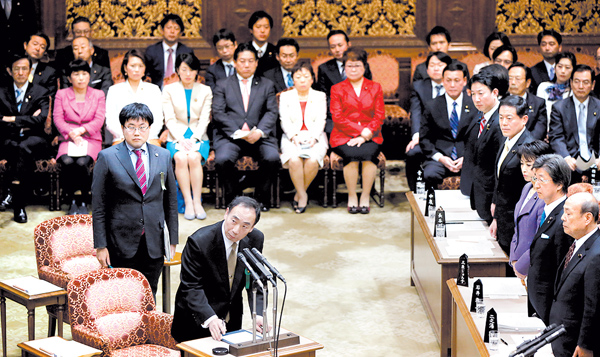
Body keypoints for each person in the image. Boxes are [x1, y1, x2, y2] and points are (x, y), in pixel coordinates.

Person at [92, 103, 178, 297]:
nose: (137, 132)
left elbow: (170, 201)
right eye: (131, 126)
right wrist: (101, 245)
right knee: (122, 296)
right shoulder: (107, 157)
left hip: (154, 240)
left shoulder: (163, 155)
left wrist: (172, 239)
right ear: (123, 128)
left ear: (150, 129)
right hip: (120, 241)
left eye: (142, 127)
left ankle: (147, 328)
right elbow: (99, 207)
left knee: (149, 294)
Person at [171, 196, 269, 342]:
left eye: (245, 226)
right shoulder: (199, 242)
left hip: (231, 318)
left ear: (252, 228)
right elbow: (191, 286)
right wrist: (210, 318)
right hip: (196, 319)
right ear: (226, 213)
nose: (236, 230)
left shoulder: (256, 239)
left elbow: (256, 279)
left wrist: (259, 313)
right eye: (233, 221)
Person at [211, 43, 279, 210]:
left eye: (250, 61)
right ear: (235, 62)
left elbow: (271, 111)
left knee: (272, 158)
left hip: (259, 136)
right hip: (231, 136)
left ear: (256, 62)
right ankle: (235, 197)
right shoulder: (222, 84)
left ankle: (260, 199)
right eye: (242, 61)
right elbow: (218, 112)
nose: (246, 65)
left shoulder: (267, 84)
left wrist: (260, 131)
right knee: (222, 159)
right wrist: (239, 132)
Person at [330, 48, 384, 214]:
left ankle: (365, 196)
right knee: (351, 156)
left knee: (368, 156)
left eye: (357, 65)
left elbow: (380, 115)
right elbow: (338, 118)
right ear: (344, 68)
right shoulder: (337, 89)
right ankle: (352, 196)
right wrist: (362, 132)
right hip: (343, 136)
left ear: (364, 67)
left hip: (371, 135)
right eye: (349, 66)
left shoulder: (375, 87)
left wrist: (367, 133)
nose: (353, 69)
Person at [549, 192, 600, 357]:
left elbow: (593, 305)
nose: (563, 218)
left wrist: (586, 344)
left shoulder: (596, 254)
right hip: (561, 334)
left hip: (575, 343)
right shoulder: (579, 241)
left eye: (569, 213)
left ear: (587, 218)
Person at [0, 52, 49, 223]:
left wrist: (11, 118)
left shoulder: (40, 91)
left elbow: (40, 120)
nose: (21, 72)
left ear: (30, 71)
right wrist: (26, 120)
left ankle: (12, 195)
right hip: (9, 139)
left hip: (35, 139)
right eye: (17, 69)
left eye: (24, 69)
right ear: (9, 71)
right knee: (17, 148)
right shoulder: (1, 92)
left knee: (22, 147)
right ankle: (18, 203)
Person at [162, 53, 212, 220]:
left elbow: (205, 119)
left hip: (199, 136)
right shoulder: (169, 90)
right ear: (177, 70)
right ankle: (188, 202)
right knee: (182, 158)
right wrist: (181, 138)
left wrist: (193, 138)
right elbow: (169, 118)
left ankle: (198, 201)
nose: (188, 74)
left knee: (194, 158)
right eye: (184, 69)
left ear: (197, 71)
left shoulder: (205, 90)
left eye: (192, 70)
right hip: (176, 136)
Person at [53, 59, 105, 215]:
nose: (81, 78)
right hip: (67, 138)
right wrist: (71, 134)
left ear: (89, 76)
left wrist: (81, 131)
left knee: (83, 163)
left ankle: (83, 199)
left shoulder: (98, 94)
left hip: (90, 138)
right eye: (76, 74)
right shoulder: (61, 94)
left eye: (84, 74)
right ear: (69, 78)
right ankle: (71, 200)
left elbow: (99, 119)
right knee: (67, 162)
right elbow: (57, 118)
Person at [528, 154, 573, 324]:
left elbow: (563, 269)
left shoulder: (564, 218)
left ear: (559, 184)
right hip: (538, 301)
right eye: (535, 178)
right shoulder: (547, 210)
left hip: (549, 306)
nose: (536, 185)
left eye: (542, 180)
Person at [279, 62, 328, 213]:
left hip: (316, 136)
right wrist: (293, 136)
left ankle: (299, 195)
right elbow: (284, 120)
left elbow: (322, 119)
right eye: (298, 77)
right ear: (292, 79)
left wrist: (314, 137)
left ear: (312, 79)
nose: (302, 80)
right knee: (294, 160)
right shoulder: (286, 96)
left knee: (312, 161)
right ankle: (303, 196)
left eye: (306, 77)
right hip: (291, 137)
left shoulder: (320, 96)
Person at [419, 62, 476, 187]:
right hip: (441, 157)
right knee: (430, 174)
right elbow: (424, 139)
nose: (452, 85)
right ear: (443, 81)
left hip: (467, 157)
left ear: (465, 81)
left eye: (457, 80)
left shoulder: (474, 105)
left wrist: (467, 157)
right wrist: (440, 158)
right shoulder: (432, 106)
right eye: (448, 80)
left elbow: (479, 137)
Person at [489, 96, 534, 255]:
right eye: (501, 118)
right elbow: (500, 180)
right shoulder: (507, 139)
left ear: (524, 119)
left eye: (509, 118)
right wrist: (496, 219)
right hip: (503, 218)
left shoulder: (529, 147)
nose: (504, 123)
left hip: (517, 223)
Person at [461, 66, 506, 222]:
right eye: (473, 94)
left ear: (495, 92)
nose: (476, 99)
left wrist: (496, 201)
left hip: (492, 198)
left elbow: (500, 167)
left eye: (481, 93)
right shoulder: (481, 115)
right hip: (480, 193)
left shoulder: (501, 121)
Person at [405, 51, 452, 191]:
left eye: (440, 64)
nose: (436, 68)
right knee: (412, 152)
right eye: (432, 65)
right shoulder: (419, 86)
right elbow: (416, 112)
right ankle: (415, 193)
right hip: (426, 136)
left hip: (450, 137)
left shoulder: (455, 86)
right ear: (427, 69)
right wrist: (417, 136)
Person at [548, 64, 600, 181]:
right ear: (571, 83)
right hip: (570, 161)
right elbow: (556, 137)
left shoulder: (599, 107)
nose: (580, 86)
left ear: (593, 85)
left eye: (586, 82)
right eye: (577, 81)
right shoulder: (559, 107)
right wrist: (566, 157)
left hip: (596, 161)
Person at [509, 140, 552, 279]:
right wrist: (514, 259)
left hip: (532, 267)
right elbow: (517, 228)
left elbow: (539, 240)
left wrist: (521, 266)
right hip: (517, 263)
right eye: (522, 164)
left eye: (529, 165)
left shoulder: (545, 196)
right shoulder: (527, 187)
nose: (524, 169)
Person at [316, 30, 372, 134]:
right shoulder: (324, 69)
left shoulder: (363, 66)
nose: (337, 50)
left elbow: (368, 93)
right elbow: (324, 97)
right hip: (335, 115)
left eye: (340, 45)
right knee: (331, 130)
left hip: (360, 114)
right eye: (333, 47)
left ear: (348, 45)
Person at [105, 49, 163, 146]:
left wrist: (144, 136)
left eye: (140, 66)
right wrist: (128, 136)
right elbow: (111, 120)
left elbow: (158, 119)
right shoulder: (114, 90)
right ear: (125, 68)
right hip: (122, 138)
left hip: (149, 138)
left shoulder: (154, 90)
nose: (137, 70)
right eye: (133, 66)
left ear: (144, 69)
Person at [144, 14, 193, 88]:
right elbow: (146, 76)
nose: (172, 31)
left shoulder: (187, 52)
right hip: (157, 92)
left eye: (176, 28)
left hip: (180, 91)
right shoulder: (152, 51)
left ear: (181, 33)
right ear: (162, 30)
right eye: (169, 28)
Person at [507, 62, 548, 140]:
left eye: (518, 79)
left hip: (529, 148)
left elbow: (539, 132)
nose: (513, 82)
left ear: (528, 83)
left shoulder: (538, 103)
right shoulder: (499, 102)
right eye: (510, 78)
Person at [537, 52, 576, 121]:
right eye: (560, 66)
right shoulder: (543, 87)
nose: (563, 71)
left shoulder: (575, 90)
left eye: (567, 68)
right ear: (554, 68)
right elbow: (539, 113)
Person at [22, 32, 57, 97]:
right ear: (25, 45)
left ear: (45, 52)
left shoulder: (49, 72)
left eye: (42, 47)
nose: (37, 49)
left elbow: (49, 97)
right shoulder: (13, 66)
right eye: (35, 44)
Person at [530, 29, 562, 93]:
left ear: (560, 48)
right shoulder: (533, 72)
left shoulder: (567, 69)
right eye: (544, 44)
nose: (547, 48)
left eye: (551, 44)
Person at [248, 10, 278, 77]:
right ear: (251, 30)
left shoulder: (275, 51)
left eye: (266, 27)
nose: (262, 31)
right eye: (258, 27)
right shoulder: (244, 49)